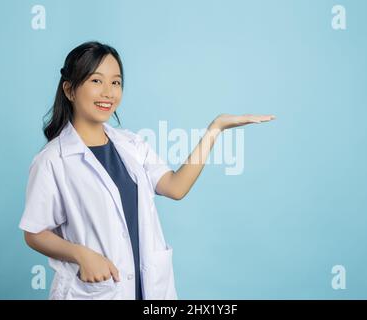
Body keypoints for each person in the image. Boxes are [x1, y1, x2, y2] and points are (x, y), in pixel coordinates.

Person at [19, 41, 276, 300]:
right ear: (70, 90)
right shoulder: (53, 159)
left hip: (148, 291)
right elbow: (34, 233)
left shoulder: (131, 144)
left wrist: (214, 129)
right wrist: (80, 254)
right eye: (96, 81)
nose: (108, 92)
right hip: (96, 292)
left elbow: (176, 187)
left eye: (116, 82)